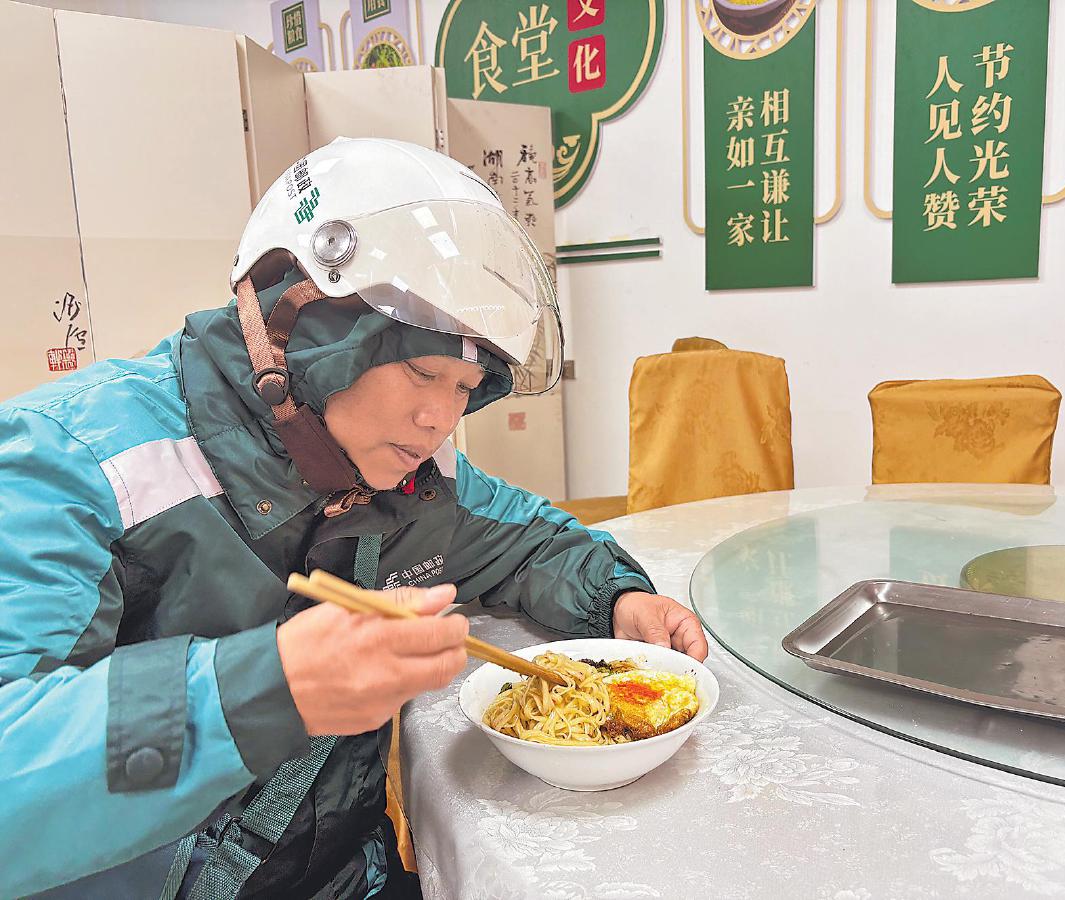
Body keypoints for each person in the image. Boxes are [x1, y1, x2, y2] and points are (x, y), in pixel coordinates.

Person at [0, 138, 708, 899]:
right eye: (421, 369)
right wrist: (265, 689)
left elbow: (529, 542)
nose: (440, 417)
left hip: (348, 877)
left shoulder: (406, 474)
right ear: (298, 328)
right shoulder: (68, 462)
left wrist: (618, 597)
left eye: (465, 386)